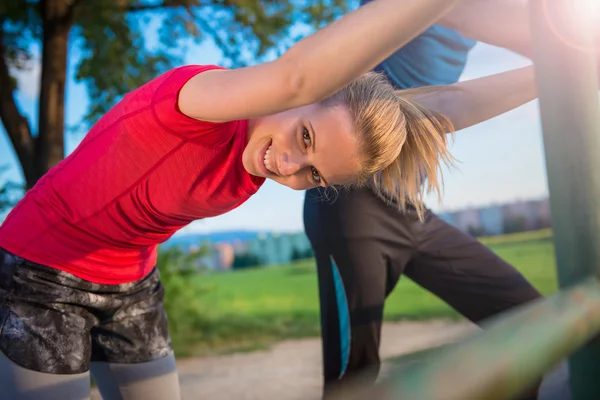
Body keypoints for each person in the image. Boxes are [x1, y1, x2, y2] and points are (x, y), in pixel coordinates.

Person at [0, 0, 541, 398]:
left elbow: (440, 108)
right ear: (308, 97)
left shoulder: (271, 154)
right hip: (41, 272)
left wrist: (551, 75)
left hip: (133, 282)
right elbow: (295, 77)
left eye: (313, 174)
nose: (287, 166)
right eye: (303, 138)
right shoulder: (199, 98)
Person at [303, 1, 552, 399]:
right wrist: (568, 56)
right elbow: (463, 17)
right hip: (351, 203)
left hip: (410, 208)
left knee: (530, 318)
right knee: (353, 379)